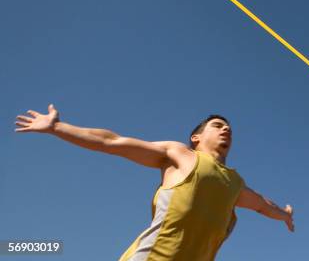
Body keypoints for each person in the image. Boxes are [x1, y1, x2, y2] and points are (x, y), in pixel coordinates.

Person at [14, 104, 294, 261]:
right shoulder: (180, 154)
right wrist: (57, 127)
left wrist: (284, 215)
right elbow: (112, 142)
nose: (226, 129)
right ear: (196, 138)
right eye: (217, 125)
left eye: (228, 127)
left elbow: (261, 205)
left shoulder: (235, 184)